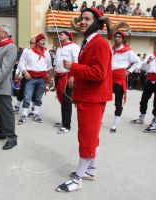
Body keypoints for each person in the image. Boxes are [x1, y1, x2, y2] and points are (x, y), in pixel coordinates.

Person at [56, 8, 112, 192]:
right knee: (91, 135)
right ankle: (90, 170)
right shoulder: (89, 42)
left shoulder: (100, 43)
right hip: (88, 96)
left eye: (87, 19)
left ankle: (78, 178)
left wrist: (74, 67)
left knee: (86, 137)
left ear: (97, 22)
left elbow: (98, 73)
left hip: (93, 98)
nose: (82, 22)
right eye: (81, 18)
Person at [131, 38, 156, 124]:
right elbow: (143, 67)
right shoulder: (151, 56)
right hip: (150, 79)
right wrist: (147, 63)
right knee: (144, 99)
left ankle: (154, 119)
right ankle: (141, 117)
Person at [17, 33, 53, 125]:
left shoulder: (46, 53)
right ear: (37, 42)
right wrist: (25, 72)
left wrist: (51, 78)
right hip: (30, 78)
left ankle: (35, 114)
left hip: (42, 78)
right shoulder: (28, 51)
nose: (44, 42)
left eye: (44, 40)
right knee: (27, 97)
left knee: (38, 98)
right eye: (41, 40)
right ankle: (24, 114)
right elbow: (21, 63)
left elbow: (49, 67)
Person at [110, 31, 142, 133]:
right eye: (115, 36)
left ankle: (115, 124)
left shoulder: (128, 51)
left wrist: (129, 71)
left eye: (119, 37)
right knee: (102, 98)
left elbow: (138, 62)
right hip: (109, 77)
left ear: (123, 39)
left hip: (119, 78)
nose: (117, 38)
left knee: (118, 103)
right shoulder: (111, 50)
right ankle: (99, 119)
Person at [53, 31, 80, 134]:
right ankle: (64, 121)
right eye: (59, 34)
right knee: (62, 100)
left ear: (68, 36)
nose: (59, 36)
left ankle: (66, 125)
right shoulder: (59, 48)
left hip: (68, 75)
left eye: (62, 34)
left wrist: (73, 76)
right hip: (59, 76)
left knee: (67, 100)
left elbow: (76, 61)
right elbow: (56, 63)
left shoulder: (74, 47)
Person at [13, 37, 36, 113]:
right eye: (31, 43)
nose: (33, 44)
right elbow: (21, 62)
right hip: (25, 74)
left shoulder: (39, 51)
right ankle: (17, 107)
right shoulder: (26, 50)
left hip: (35, 74)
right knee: (22, 91)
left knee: (34, 92)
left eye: (34, 43)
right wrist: (17, 72)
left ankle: (33, 109)